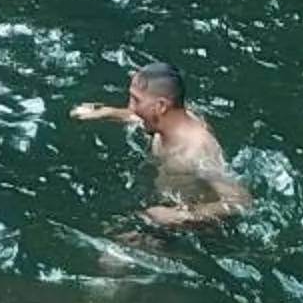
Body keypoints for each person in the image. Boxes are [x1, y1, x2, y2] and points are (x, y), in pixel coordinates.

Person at [70, 60, 251, 228]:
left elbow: (240, 201)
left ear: (161, 106)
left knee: (111, 259)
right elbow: (138, 118)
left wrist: (180, 215)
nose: (131, 106)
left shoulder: (196, 151)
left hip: (195, 227)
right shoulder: (168, 122)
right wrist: (106, 112)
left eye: (136, 100)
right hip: (166, 204)